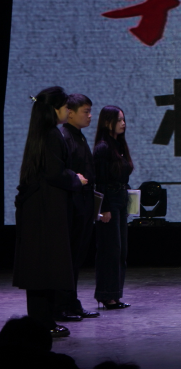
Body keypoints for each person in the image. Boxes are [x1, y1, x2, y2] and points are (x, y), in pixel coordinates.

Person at [13, 87, 88, 338]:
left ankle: (41, 322)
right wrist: (76, 179)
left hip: (38, 209)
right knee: (46, 269)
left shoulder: (40, 134)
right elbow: (55, 172)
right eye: (66, 107)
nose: (68, 111)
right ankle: (44, 323)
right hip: (47, 211)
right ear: (55, 109)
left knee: (39, 270)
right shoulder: (52, 135)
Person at [56, 94, 101, 321]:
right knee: (69, 258)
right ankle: (62, 305)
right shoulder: (65, 137)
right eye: (85, 111)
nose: (90, 116)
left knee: (77, 257)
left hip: (83, 203)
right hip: (72, 204)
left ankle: (72, 303)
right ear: (70, 113)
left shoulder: (79, 136)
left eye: (90, 111)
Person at [94, 105, 134, 309]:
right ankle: (106, 295)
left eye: (123, 119)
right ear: (107, 122)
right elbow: (100, 181)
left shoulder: (119, 145)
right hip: (110, 200)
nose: (123, 123)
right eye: (119, 120)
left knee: (121, 250)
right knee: (110, 250)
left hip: (121, 199)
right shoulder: (103, 148)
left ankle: (115, 294)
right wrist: (105, 208)